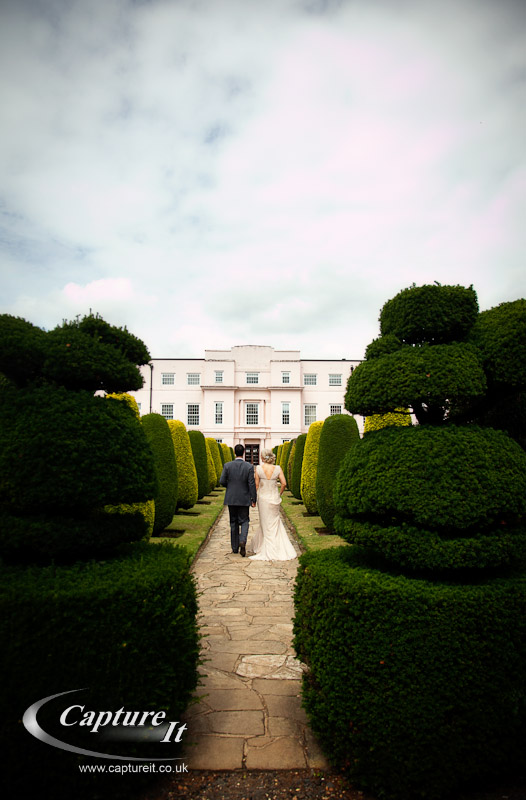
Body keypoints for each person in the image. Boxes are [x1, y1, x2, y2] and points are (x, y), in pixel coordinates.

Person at [248, 448, 297, 561]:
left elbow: (256, 486)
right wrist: (279, 493)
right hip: (274, 498)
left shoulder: (259, 468)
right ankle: (273, 545)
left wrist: (253, 499)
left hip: (263, 499)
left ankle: (267, 548)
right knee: (274, 522)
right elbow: (284, 483)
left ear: (263, 458)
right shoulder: (278, 468)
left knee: (265, 523)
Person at [220, 444, 257, 557]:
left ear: (235, 453)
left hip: (231, 498)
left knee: (233, 522)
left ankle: (235, 548)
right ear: (244, 453)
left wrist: (230, 487)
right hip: (244, 498)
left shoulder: (227, 466)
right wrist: (253, 498)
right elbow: (251, 484)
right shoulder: (249, 467)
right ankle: (243, 540)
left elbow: (222, 481)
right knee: (245, 521)